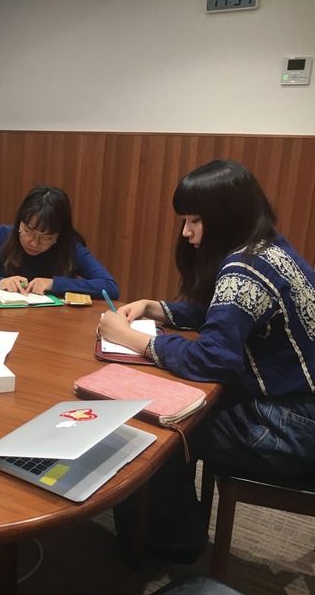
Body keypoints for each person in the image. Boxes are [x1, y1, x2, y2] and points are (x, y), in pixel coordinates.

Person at [98, 159, 315, 562]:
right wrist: (154, 307)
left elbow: (214, 358)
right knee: (177, 410)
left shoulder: (244, 270)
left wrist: (129, 338)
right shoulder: (270, 247)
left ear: (227, 216)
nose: (186, 232)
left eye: (195, 221)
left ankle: (170, 543)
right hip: (301, 411)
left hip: (292, 427)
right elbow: (223, 315)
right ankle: (177, 528)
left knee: (158, 430)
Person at [0, 185, 119, 299]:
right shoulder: (1, 236)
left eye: (45, 237)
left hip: (55, 325)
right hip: (5, 321)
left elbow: (110, 287)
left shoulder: (69, 247)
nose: (34, 243)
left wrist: (55, 283)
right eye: (28, 232)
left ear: (58, 236)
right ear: (19, 223)